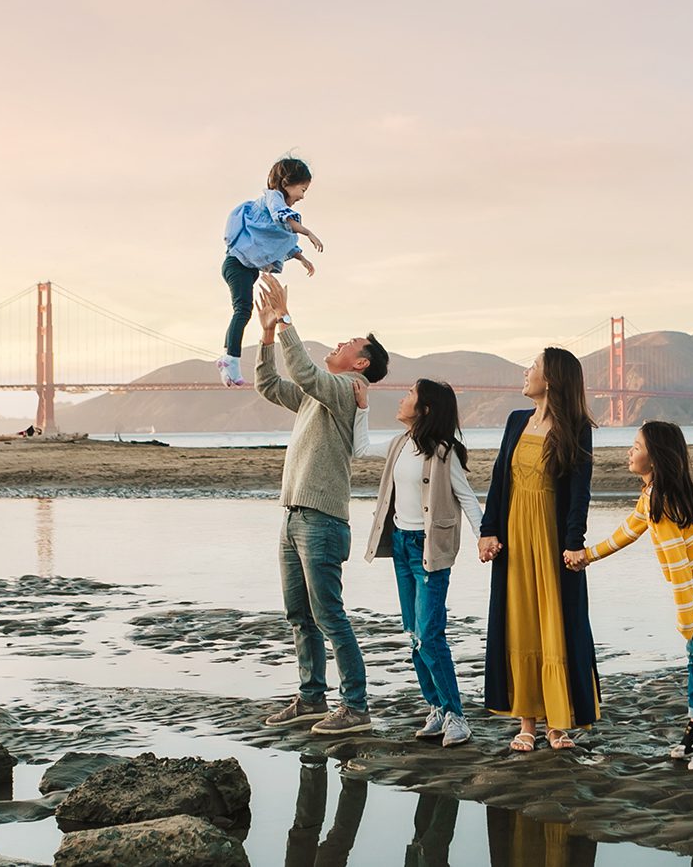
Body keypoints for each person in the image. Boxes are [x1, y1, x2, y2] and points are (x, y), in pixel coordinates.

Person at [254, 272, 389, 735]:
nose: (338, 344)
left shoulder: (343, 389)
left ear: (361, 362)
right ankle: (311, 697)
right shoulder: (319, 395)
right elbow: (270, 384)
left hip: (322, 521)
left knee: (328, 614)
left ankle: (356, 706)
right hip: (293, 516)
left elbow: (307, 372)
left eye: (348, 342)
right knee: (299, 614)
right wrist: (268, 334)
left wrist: (286, 317)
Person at [564, 421, 693, 769]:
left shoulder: (664, 504)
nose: (629, 452)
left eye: (636, 446)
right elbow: (626, 532)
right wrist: (587, 555)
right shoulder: (651, 497)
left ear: (655, 458)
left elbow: (679, 571)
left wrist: (685, 621)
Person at [477, 347, 599, 752]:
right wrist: (487, 530)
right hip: (515, 540)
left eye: (533, 367)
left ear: (550, 380)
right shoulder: (516, 422)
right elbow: (498, 481)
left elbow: (580, 494)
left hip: (549, 542)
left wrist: (573, 545)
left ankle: (557, 723)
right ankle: (526, 723)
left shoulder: (577, 428)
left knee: (555, 624)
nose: (526, 372)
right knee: (521, 623)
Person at [352, 378, 483, 747]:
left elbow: (468, 498)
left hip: (430, 550)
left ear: (425, 409)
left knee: (429, 634)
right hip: (401, 545)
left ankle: (457, 715)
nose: (402, 398)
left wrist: (483, 536)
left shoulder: (444, 452)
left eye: (409, 394)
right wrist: (361, 408)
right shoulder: (398, 444)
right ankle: (437, 708)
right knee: (413, 634)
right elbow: (359, 449)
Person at [217, 157, 324, 387]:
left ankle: (227, 360)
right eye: (302, 189)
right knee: (243, 310)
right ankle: (231, 360)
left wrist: (302, 257)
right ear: (286, 183)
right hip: (237, 265)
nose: (303, 197)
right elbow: (283, 219)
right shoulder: (273, 198)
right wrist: (308, 232)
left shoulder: (273, 207)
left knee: (241, 310)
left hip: (244, 268)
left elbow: (280, 236)